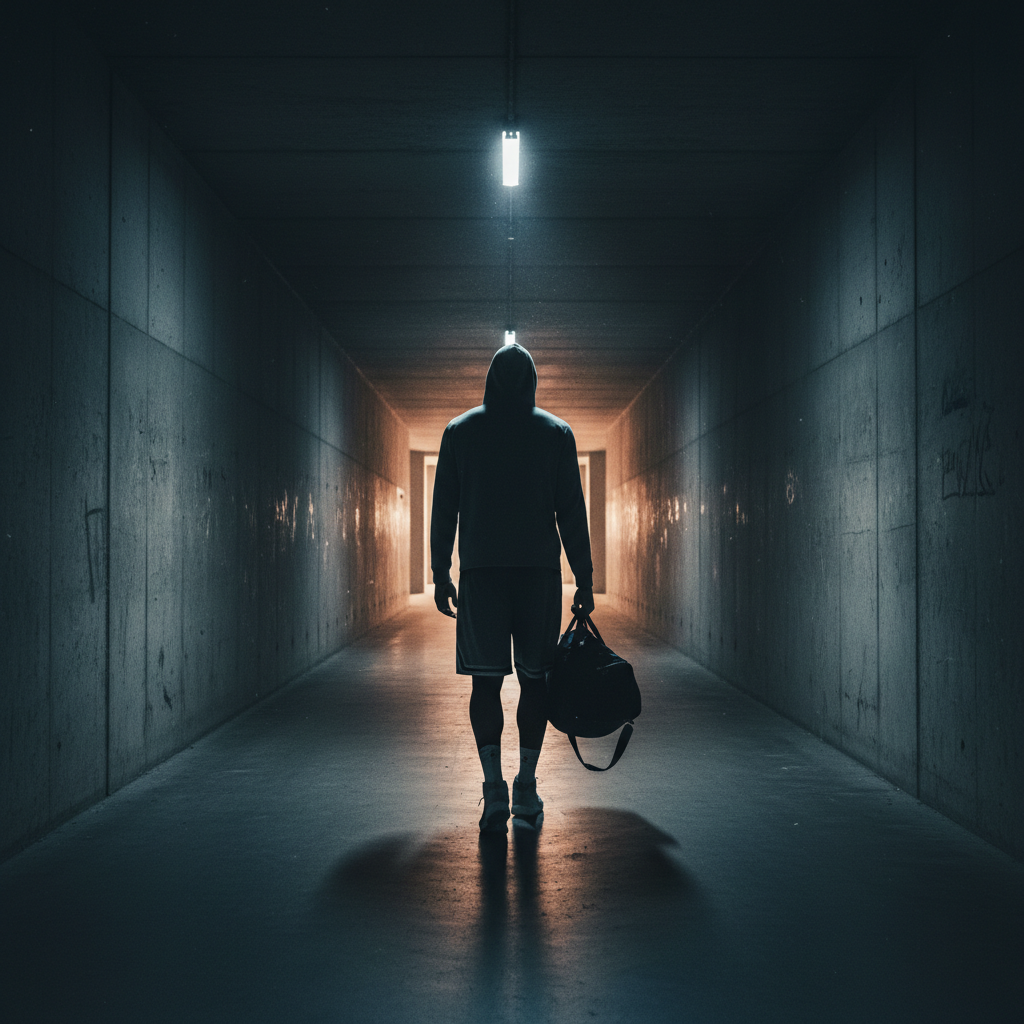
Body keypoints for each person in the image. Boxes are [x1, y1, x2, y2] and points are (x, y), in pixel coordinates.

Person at [430, 342, 594, 833]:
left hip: (482, 578)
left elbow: (444, 511)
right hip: (537, 578)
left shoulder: (460, 433)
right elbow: (572, 515)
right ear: (533, 382)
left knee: (486, 683)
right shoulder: (556, 434)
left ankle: (493, 792)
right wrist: (584, 579)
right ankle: (526, 787)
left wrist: (441, 574)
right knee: (535, 681)